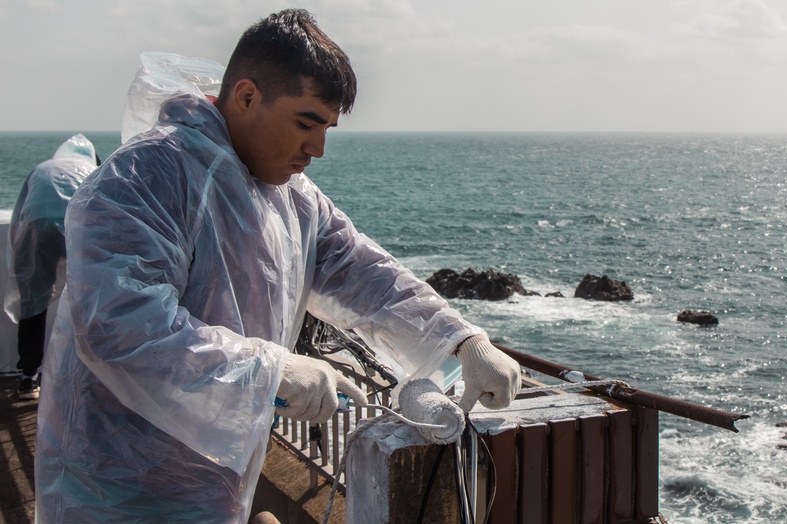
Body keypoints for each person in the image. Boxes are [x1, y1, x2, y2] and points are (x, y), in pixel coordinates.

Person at [34, 9, 521, 523]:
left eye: (327, 128)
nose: (318, 148)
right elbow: (116, 323)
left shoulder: (292, 198)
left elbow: (365, 272)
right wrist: (276, 371)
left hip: (215, 484)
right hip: (112, 488)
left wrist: (461, 339)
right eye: (305, 123)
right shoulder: (143, 176)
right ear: (246, 97)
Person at [4, 133, 98, 399]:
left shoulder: (42, 168)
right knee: (89, 299)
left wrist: (20, 256)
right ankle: (89, 376)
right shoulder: (92, 169)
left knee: (34, 302)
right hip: (79, 226)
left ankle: (28, 378)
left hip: (36, 229)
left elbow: (19, 215)